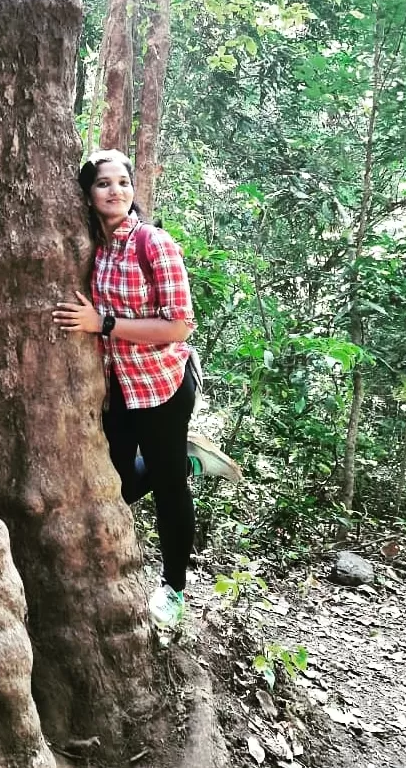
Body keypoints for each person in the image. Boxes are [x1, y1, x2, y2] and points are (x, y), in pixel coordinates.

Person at [52, 148, 239, 629]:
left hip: (163, 385)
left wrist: (104, 323)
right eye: (102, 183)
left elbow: (180, 326)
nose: (115, 191)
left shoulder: (153, 243)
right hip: (118, 388)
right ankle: (187, 457)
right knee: (117, 484)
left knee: (169, 490)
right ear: (88, 193)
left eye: (122, 182)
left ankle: (174, 588)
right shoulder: (92, 247)